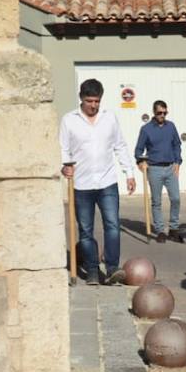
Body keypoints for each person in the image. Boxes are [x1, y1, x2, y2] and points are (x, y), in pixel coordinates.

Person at [60, 78, 137, 284]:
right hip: (81, 184)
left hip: (107, 182)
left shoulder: (109, 118)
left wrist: (129, 173)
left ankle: (112, 269)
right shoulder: (69, 120)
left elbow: (120, 145)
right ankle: (92, 270)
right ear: (81, 99)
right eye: (89, 101)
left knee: (112, 225)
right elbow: (63, 149)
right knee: (85, 230)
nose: (93, 105)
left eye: (97, 101)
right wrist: (64, 165)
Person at [135, 99, 184, 243]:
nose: (162, 115)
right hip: (154, 168)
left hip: (170, 167)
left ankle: (174, 229)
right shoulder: (146, 129)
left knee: (176, 198)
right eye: (159, 113)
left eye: (165, 112)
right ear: (154, 113)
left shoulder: (171, 126)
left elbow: (177, 145)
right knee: (156, 201)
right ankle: (160, 230)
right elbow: (138, 149)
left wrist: (177, 161)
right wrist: (140, 161)